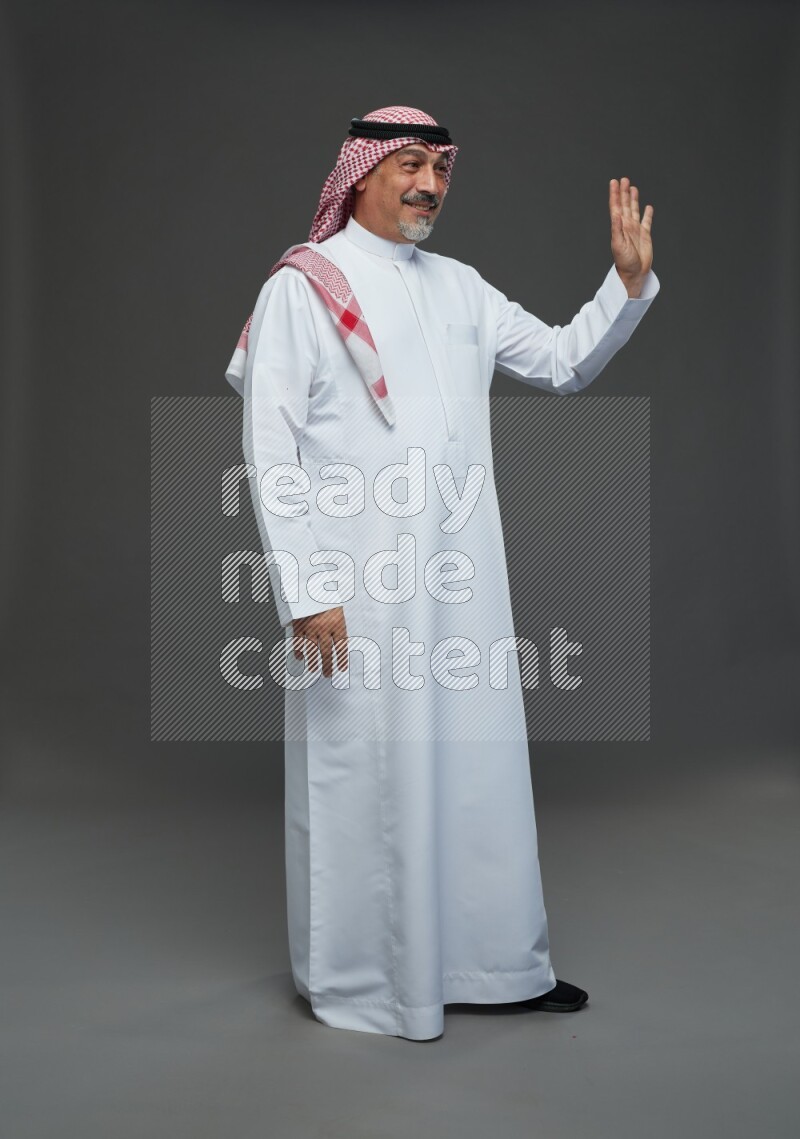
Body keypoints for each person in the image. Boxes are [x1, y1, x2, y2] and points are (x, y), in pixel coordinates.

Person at [225, 105, 659, 1041]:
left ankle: (498, 967)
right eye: (410, 165)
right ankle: (372, 983)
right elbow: (270, 444)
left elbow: (557, 361)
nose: (428, 184)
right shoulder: (305, 288)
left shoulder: (460, 286)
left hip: (464, 581)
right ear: (362, 172)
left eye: (442, 169)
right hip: (356, 592)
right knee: (369, 776)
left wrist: (626, 287)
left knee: (477, 771)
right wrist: (305, 593)